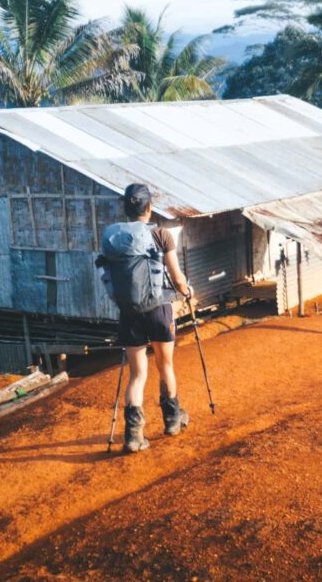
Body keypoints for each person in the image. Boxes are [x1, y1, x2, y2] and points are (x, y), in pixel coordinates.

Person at [103, 183, 194, 453]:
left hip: (129, 313)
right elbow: (177, 277)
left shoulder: (114, 239)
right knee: (165, 366)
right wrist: (186, 291)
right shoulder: (162, 235)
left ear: (126, 209)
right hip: (158, 309)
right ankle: (172, 419)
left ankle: (133, 435)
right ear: (149, 207)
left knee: (137, 374)